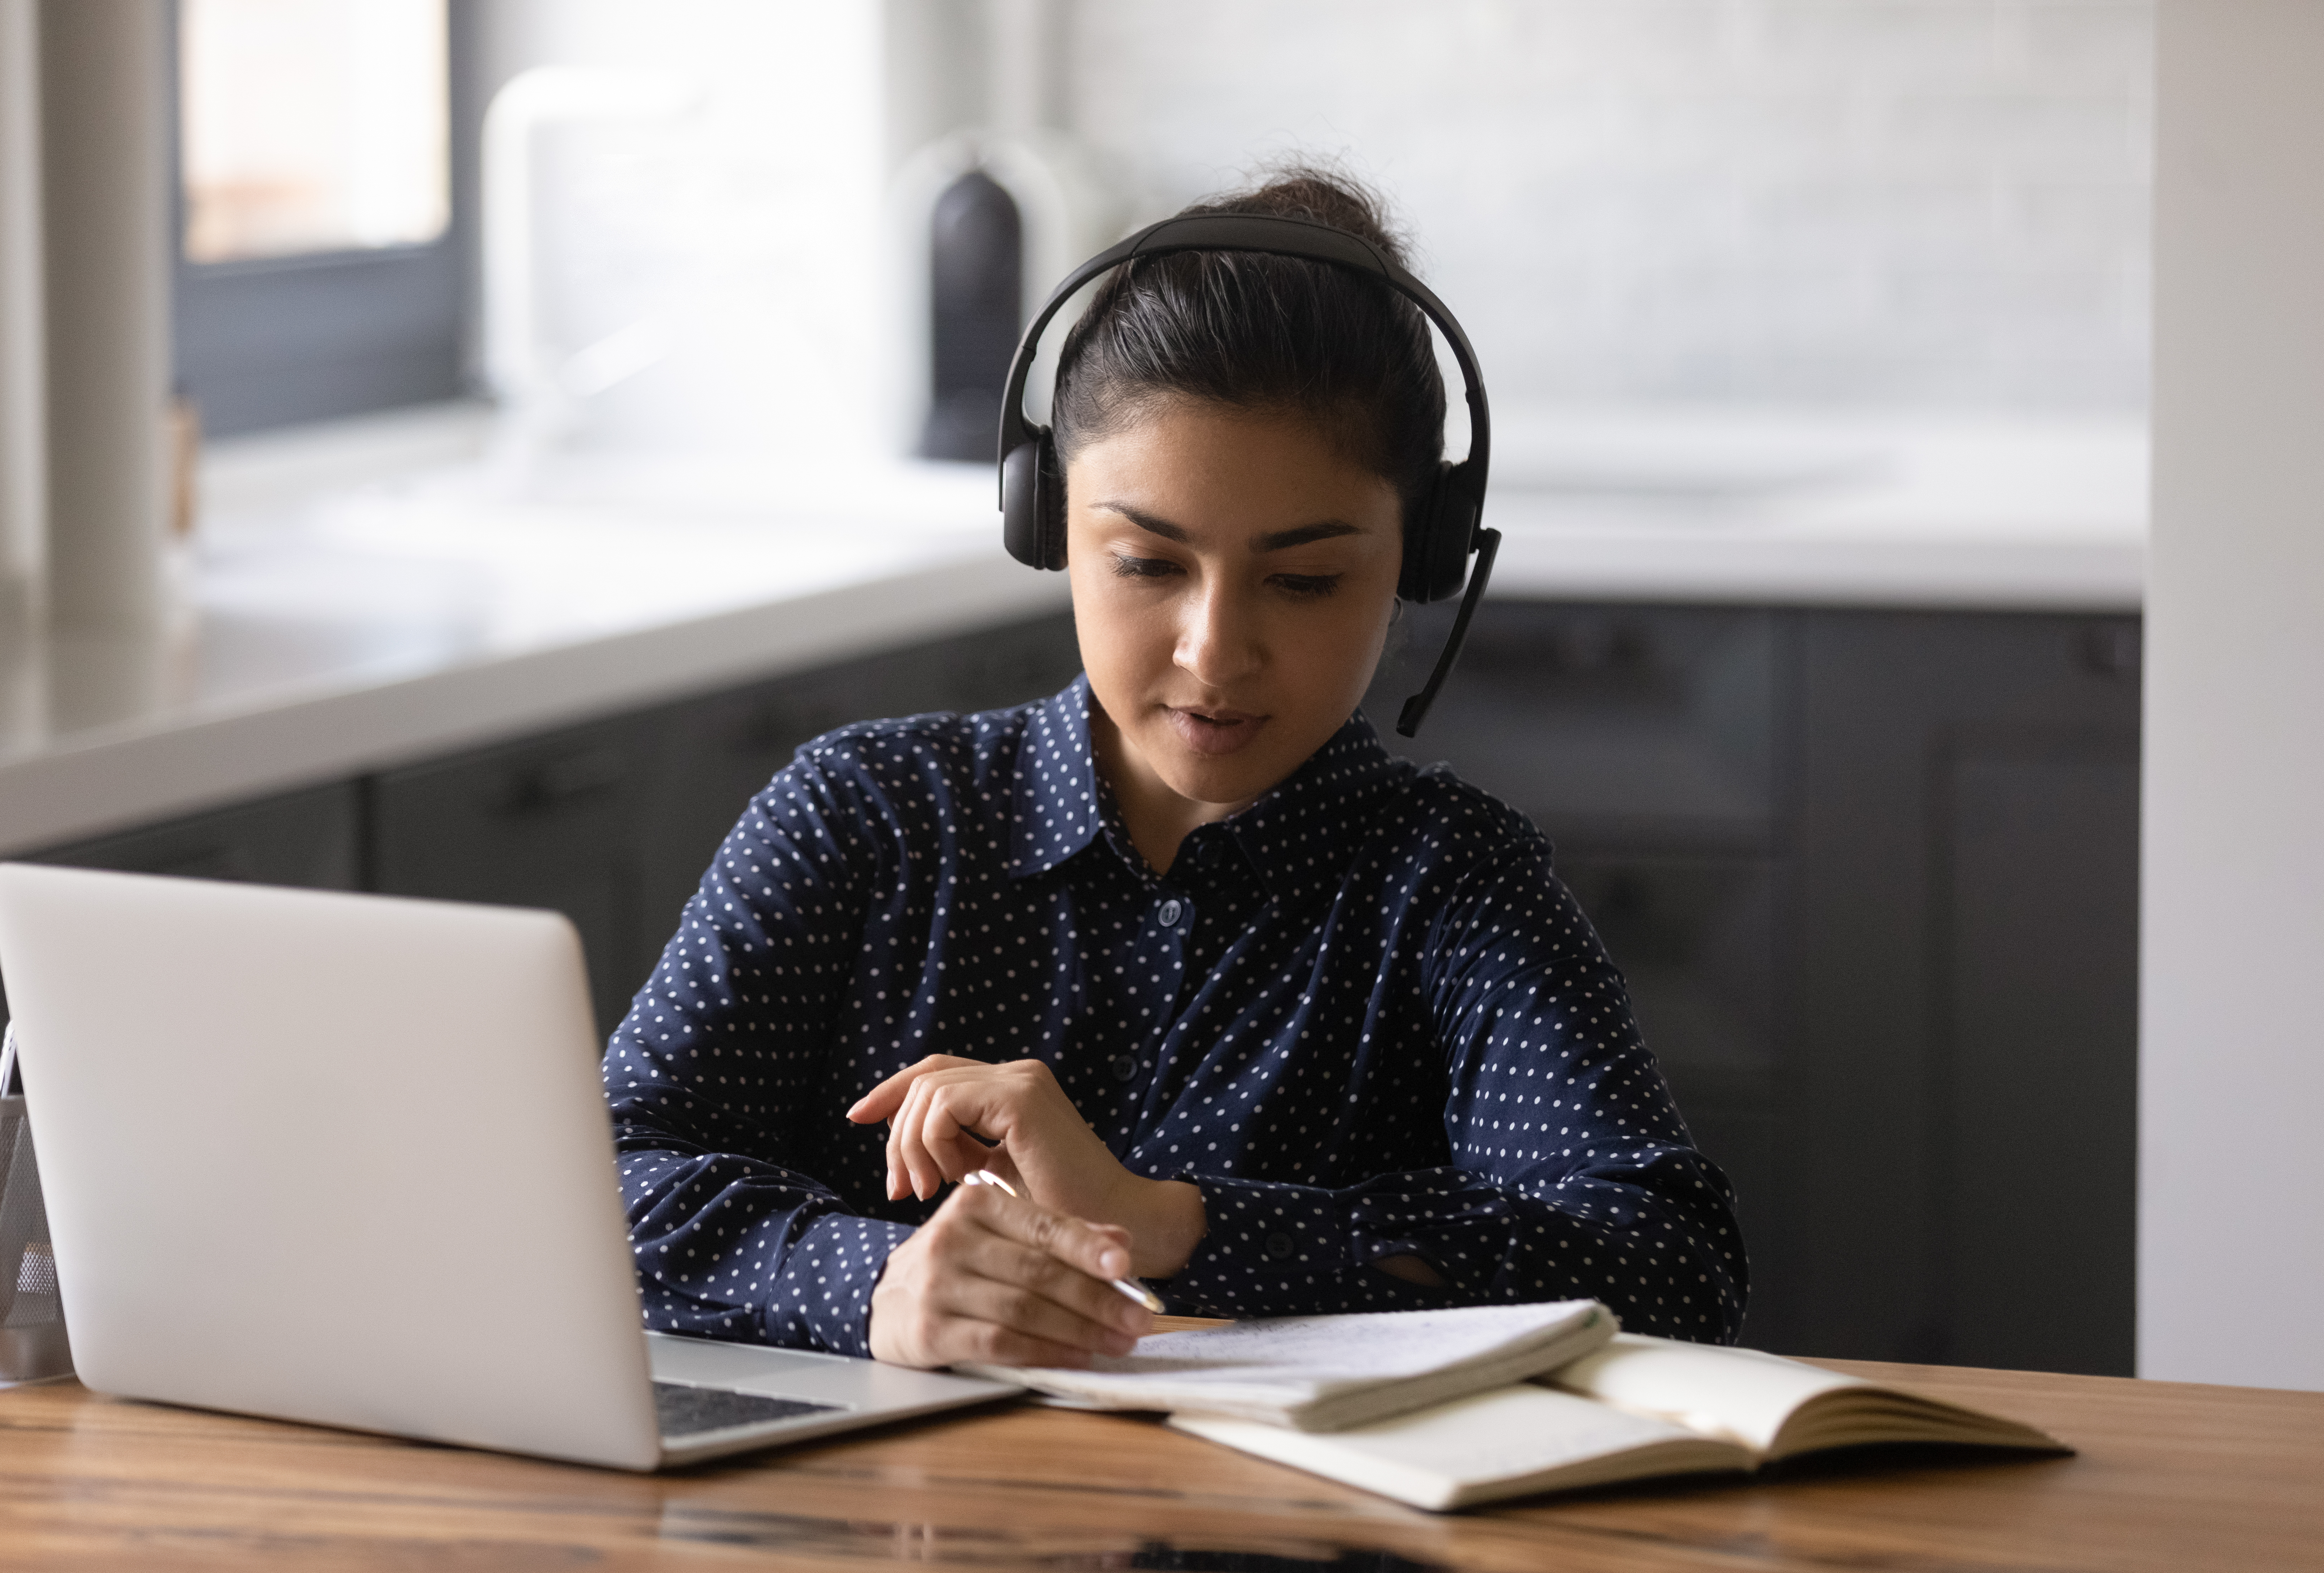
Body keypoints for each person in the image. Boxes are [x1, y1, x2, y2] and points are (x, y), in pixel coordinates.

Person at [604, 168, 1746, 1371]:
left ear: (1424, 560)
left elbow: (1666, 1260)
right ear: (1046, 521)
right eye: (1148, 563)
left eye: (1304, 582)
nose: (1216, 654)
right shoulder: (863, 817)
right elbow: (601, 1177)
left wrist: (1169, 1220)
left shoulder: (1448, 883)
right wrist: (870, 1281)